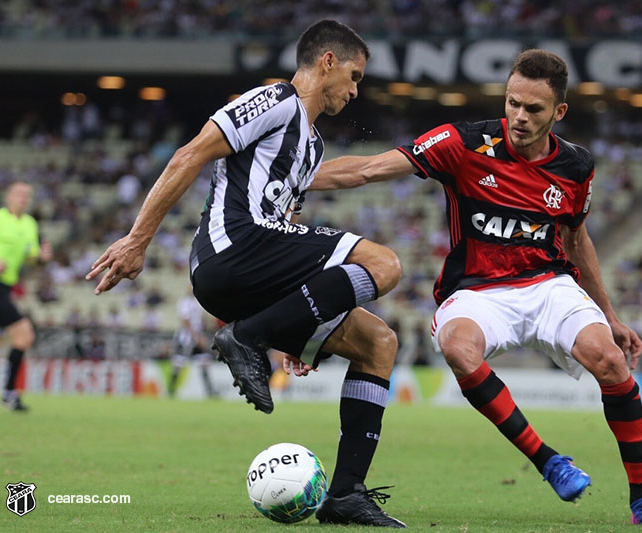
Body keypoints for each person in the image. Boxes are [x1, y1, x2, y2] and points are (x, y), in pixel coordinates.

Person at [311, 49, 642, 528]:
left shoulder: (576, 166)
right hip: (477, 290)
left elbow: (576, 240)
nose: (519, 117)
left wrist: (610, 317)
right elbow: (369, 169)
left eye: (533, 109)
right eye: (512, 103)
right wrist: (290, 178)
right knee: (458, 347)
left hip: (549, 285)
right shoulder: (462, 143)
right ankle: (549, 460)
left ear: (559, 112)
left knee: (611, 362)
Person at [86, 19, 405, 528]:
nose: (355, 89)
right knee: (383, 264)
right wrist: (137, 238)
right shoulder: (274, 99)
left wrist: (293, 325)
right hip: (233, 247)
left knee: (378, 343)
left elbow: (293, 221)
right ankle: (248, 336)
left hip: (257, 268)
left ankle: (346, 495)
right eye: (354, 74)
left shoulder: (312, 145)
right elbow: (189, 154)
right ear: (327, 62)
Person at [0, 182, 52, 411]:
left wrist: (42, 257)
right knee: (24, 336)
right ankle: (9, 394)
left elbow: (30, 257)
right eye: (19, 194)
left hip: (3, 288)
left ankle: (9, 394)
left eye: (27, 194)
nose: (24, 198)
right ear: (8, 196)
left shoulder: (30, 224)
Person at [169, 289, 216, 397]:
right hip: (186, 338)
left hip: (197, 336)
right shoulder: (184, 302)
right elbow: (185, 320)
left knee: (204, 360)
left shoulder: (197, 301)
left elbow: (200, 320)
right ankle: (171, 389)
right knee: (179, 362)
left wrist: (202, 332)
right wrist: (196, 336)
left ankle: (209, 390)